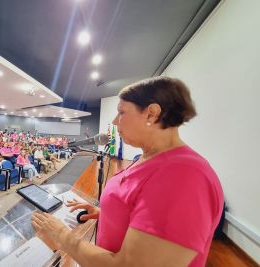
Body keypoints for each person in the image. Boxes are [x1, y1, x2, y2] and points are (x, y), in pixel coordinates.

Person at [31, 76, 224, 267]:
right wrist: (107, 213)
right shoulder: (146, 157)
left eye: (121, 112)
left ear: (151, 114)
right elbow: (142, 209)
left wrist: (61, 235)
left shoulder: (184, 176)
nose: (115, 122)